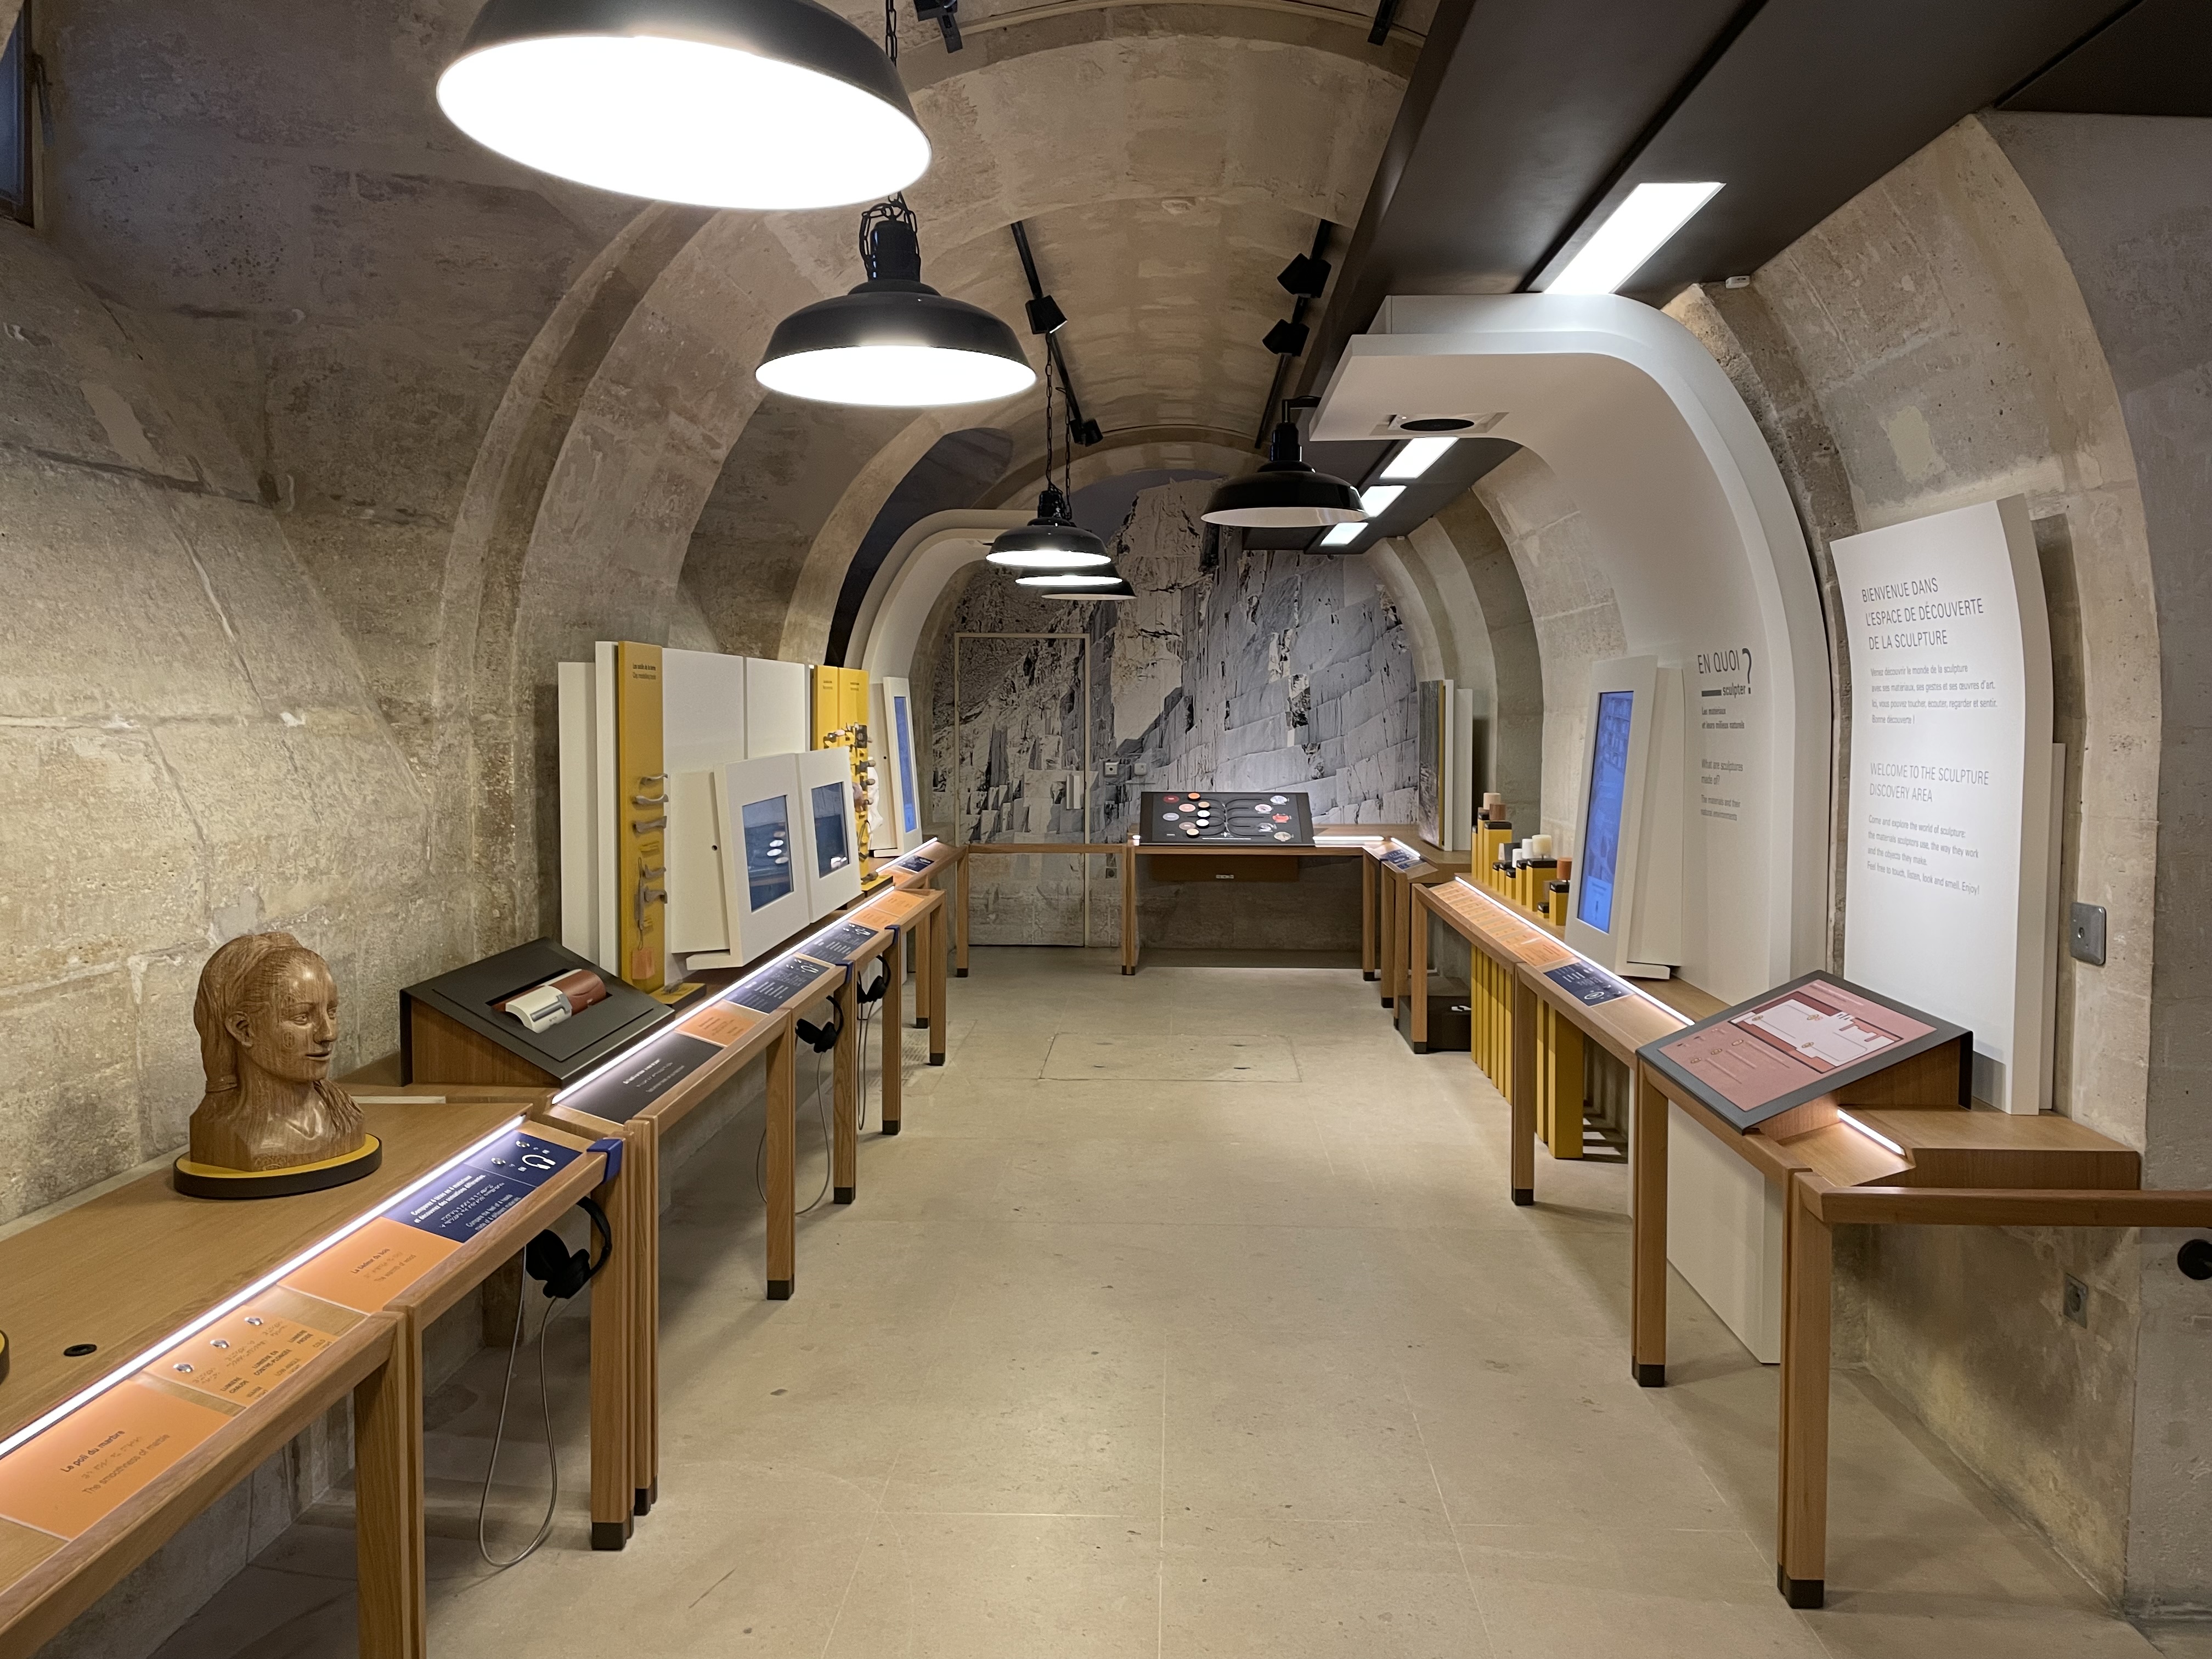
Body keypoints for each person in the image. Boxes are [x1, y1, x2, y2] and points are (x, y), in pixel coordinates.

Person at [188, 932, 365, 1172]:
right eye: (302, 1017)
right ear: (244, 1029)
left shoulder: (345, 1115)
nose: (328, 1034)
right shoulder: (236, 1136)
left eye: (331, 1012)